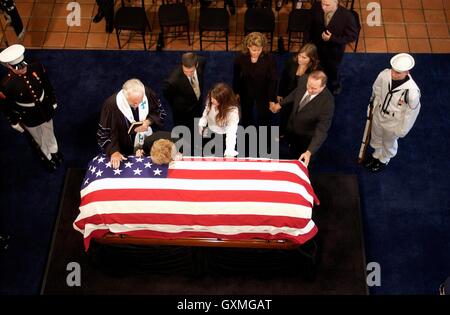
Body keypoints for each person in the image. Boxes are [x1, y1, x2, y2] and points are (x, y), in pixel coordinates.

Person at [0, 44, 62, 171]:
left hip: (44, 107)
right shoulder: (6, 85)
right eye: (18, 68)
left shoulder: (36, 67)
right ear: (8, 66)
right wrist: (14, 121)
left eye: (23, 65)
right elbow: (6, 106)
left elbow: (46, 83)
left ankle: (54, 150)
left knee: (49, 129)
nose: (23, 69)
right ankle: (47, 157)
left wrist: (52, 100)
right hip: (28, 114)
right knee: (38, 137)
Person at [364, 53, 421, 173]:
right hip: (379, 113)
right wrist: (373, 105)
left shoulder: (412, 92)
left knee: (388, 140)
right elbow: (377, 89)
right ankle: (377, 153)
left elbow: (411, 114)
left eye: (398, 73)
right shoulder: (385, 74)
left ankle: (384, 158)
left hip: (394, 121)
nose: (393, 74)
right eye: (393, 70)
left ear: (407, 72)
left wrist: (403, 129)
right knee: (376, 135)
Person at [97, 78, 166, 169]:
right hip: (122, 149)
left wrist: (148, 121)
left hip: (145, 145)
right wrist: (114, 152)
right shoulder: (111, 105)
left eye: (140, 102)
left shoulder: (148, 94)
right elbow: (104, 134)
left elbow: (160, 113)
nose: (136, 106)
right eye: (133, 104)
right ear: (125, 97)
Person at [271, 70, 334, 166]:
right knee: (289, 153)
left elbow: (321, 130)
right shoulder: (304, 79)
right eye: (309, 86)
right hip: (291, 127)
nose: (309, 90)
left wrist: (309, 152)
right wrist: (280, 104)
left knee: (301, 164)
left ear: (323, 87)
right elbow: (296, 93)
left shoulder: (327, 103)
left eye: (314, 89)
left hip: (306, 139)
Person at [307, 0, 358, 95]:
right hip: (317, 47)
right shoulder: (316, 7)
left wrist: (332, 38)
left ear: (336, 3)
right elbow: (310, 25)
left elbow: (352, 36)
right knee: (317, 67)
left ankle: (335, 85)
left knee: (333, 70)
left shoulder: (346, 16)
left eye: (327, 5)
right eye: (322, 3)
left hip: (334, 52)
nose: (323, 7)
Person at [233, 32, 277, 128]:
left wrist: (271, 98)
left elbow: (273, 79)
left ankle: (264, 136)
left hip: (263, 91)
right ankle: (248, 134)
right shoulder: (240, 59)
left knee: (264, 115)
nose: (257, 52)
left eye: (259, 49)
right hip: (246, 91)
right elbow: (236, 77)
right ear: (248, 47)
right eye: (254, 50)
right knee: (246, 114)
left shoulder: (270, 59)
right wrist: (236, 92)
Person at [278, 43, 320, 137]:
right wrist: (279, 93)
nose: (300, 59)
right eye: (299, 55)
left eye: (304, 58)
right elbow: (283, 78)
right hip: (287, 94)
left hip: (302, 98)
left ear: (311, 59)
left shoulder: (314, 72)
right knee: (284, 115)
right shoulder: (291, 62)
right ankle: (282, 132)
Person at [163, 52, 206, 134]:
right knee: (185, 133)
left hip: (197, 105)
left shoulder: (201, 62)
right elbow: (168, 96)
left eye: (191, 71)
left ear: (196, 65)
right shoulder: (173, 81)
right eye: (186, 71)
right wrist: (179, 105)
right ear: (182, 65)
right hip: (183, 113)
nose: (189, 74)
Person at [198, 82, 240, 157]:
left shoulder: (232, 111)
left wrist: (229, 151)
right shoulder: (211, 99)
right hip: (209, 133)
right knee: (207, 159)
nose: (211, 101)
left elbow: (231, 132)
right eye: (211, 98)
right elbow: (206, 113)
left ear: (224, 100)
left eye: (215, 99)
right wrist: (202, 123)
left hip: (224, 137)